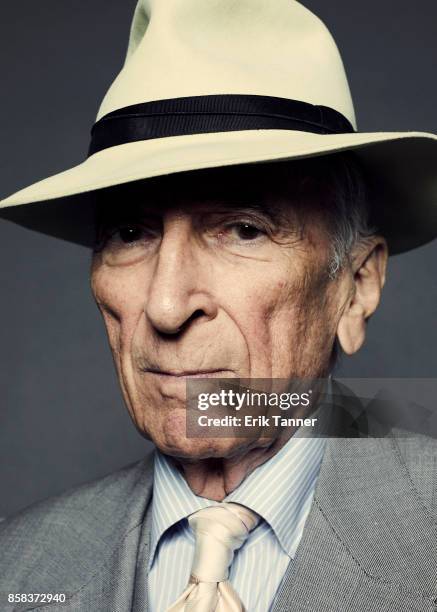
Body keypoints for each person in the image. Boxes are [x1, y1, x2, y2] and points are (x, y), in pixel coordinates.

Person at [1, 1, 436, 611]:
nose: (167, 304)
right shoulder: (17, 568)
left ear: (357, 286)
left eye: (242, 230)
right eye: (131, 234)